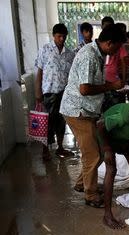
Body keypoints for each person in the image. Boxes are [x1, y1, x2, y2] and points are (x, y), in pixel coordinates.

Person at [60, 24, 126, 208]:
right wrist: (111, 87)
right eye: (117, 47)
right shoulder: (89, 55)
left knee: (95, 150)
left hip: (85, 110)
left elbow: (92, 82)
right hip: (77, 110)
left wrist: (110, 84)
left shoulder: (97, 54)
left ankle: (82, 183)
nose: (117, 52)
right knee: (93, 155)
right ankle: (90, 195)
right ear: (109, 43)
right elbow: (85, 89)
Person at [35, 23, 75, 161]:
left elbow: (72, 75)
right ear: (53, 36)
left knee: (61, 121)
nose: (62, 39)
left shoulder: (70, 54)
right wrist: (37, 92)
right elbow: (39, 72)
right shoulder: (45, 50)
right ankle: (45, 150)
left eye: (64, 36)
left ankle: (60, 147)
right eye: (59, 36)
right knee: (47, 122)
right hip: (48, 92)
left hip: (64, 93)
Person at [102, 22, 127, 111]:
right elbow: (84, 89)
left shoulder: (119, 46)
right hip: (103, 82)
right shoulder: (95, 52)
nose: (115, 52)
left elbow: (124, 64)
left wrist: (123, 80)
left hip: (114, 80)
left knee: (116, 108)